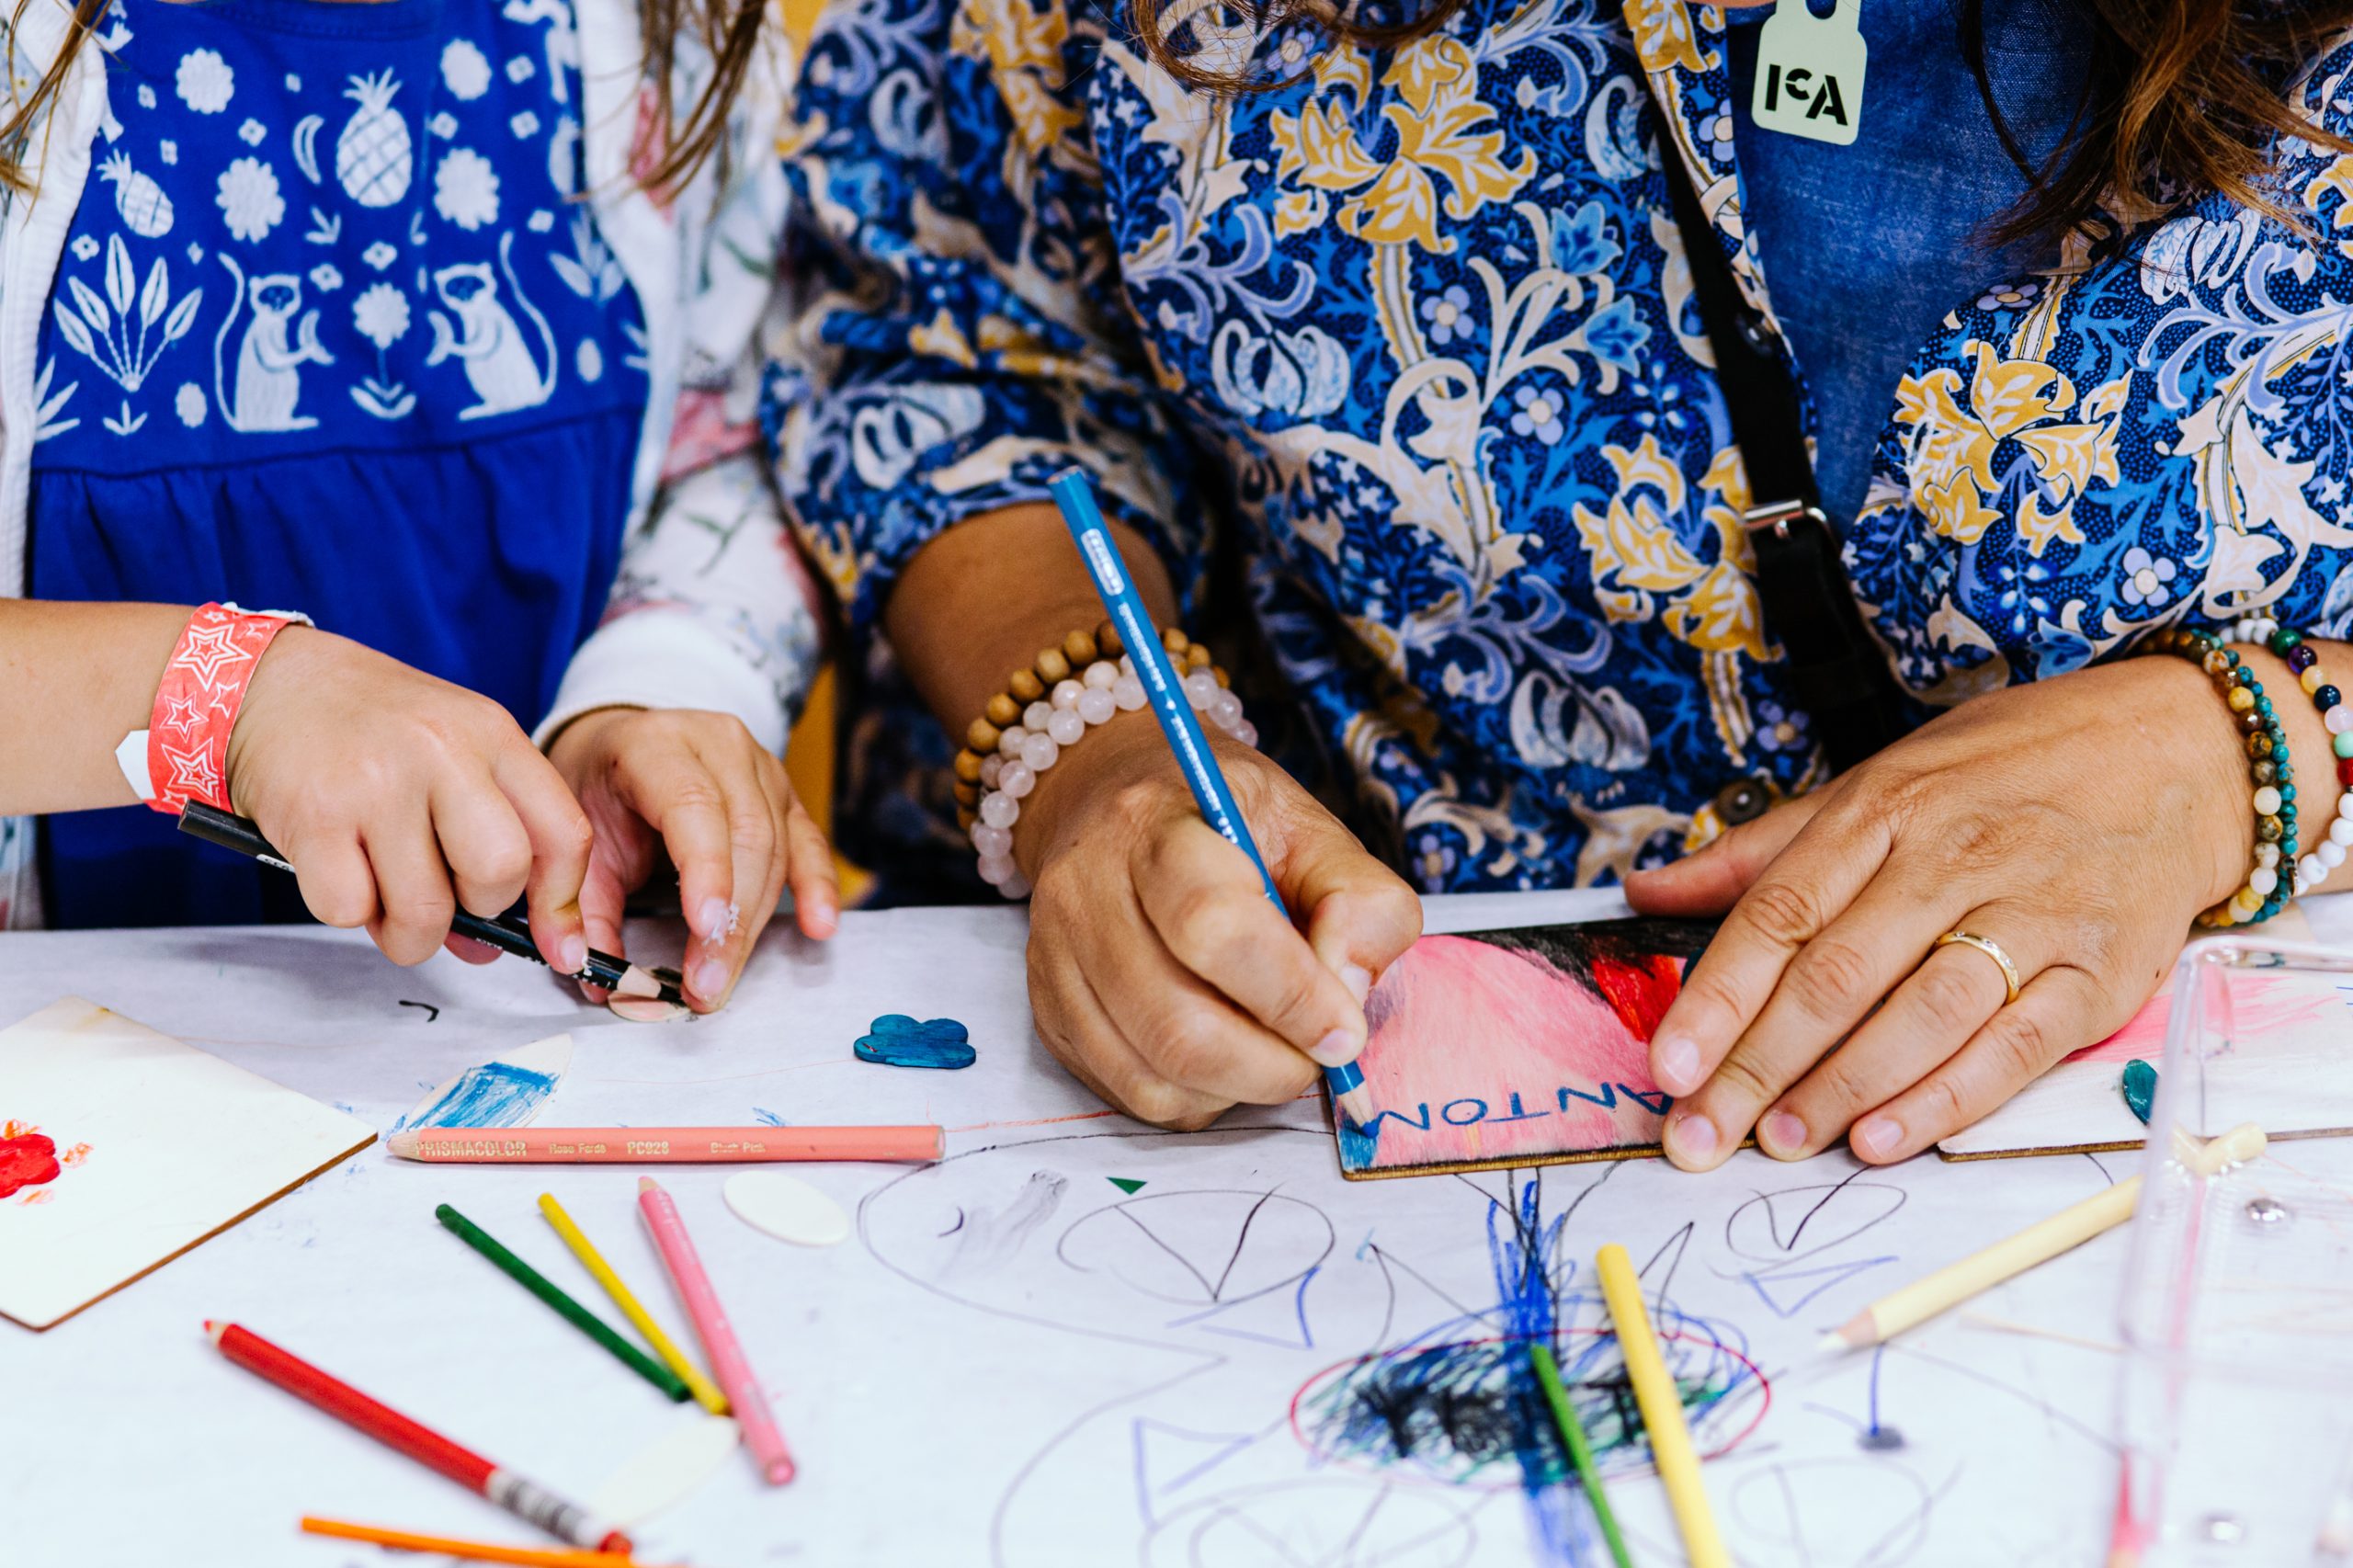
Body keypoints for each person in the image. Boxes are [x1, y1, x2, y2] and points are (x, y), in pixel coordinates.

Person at [773, 0, 2353, 1158]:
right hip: (1341, 1107)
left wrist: (2254, 754)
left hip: (2205, 1156)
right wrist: (1097, 765)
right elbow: (958, 355)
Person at [0, 0, 837, 1008]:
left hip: (492, 1038)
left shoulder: (670, 43)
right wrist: (221, 701)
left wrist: (651, 682)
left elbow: (725, 449)